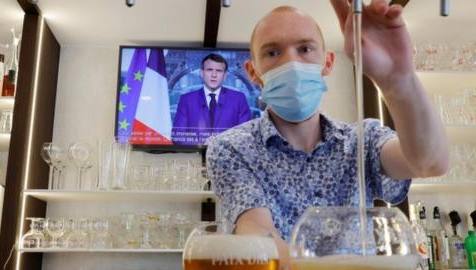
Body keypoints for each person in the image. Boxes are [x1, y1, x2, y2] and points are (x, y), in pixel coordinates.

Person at [206, 1, 449, 269]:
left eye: (305, 49)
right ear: (253, 72)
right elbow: (257, 234)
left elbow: (430, 162)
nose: (292, 62)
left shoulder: (363, 140)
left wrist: (397, 78)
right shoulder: (231, 148)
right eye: (273, 52)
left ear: (328, 62)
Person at [171, 53, 252, 145]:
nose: (214, 75)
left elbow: (245, 135)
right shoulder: (186, 100)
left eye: (219, 71)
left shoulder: (238, 99)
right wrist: (202, 142)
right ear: (202, 73)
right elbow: (177, 137)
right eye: (209, 70)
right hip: (195, 156)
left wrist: (220, 144)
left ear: (225, 75)